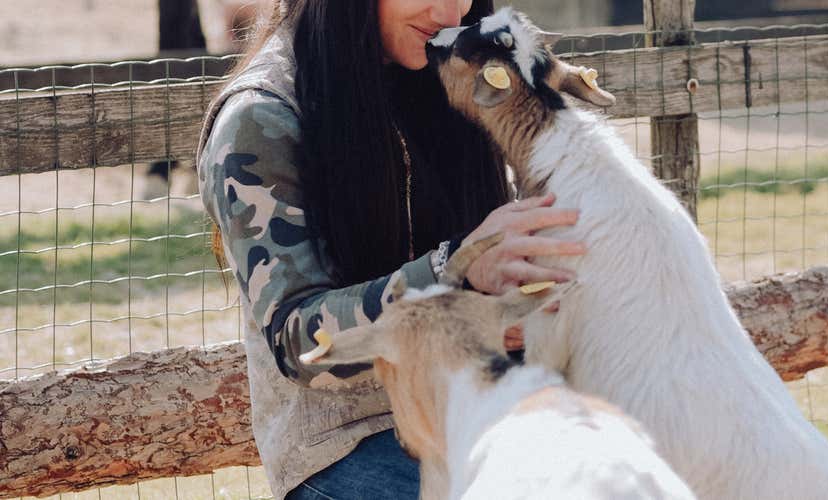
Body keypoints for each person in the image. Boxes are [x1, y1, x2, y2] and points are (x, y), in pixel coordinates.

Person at [194, 1, 586, 498]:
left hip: (483, 412)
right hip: (344, 444)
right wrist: (455, 270)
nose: (447, 10)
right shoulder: (260, 115)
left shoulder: (454, 68)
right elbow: (299, 344)